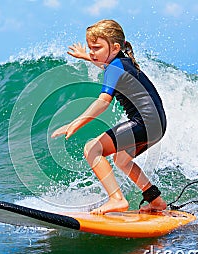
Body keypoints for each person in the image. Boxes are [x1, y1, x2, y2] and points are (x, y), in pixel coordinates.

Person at [51, 19, 167, 214]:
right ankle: (156, 201)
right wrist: (86, 57)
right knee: (122, 160)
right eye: (90, 48)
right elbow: (105, 63)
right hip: (157, 124)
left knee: (92, 148)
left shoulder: (114, 67)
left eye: (96, 48)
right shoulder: (121, 62)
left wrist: (76, 123)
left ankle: (117, 199)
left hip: (145, 123)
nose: (92, 52)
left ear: (114, 47)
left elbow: (103, 101)